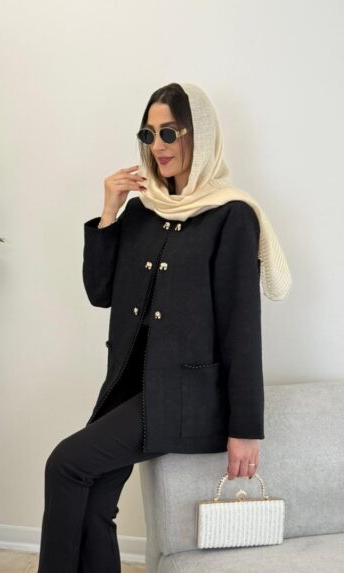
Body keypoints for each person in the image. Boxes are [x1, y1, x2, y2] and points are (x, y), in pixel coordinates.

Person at [38, 82, 292, 572]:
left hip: (186, 400)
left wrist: (246, 429)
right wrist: (109, 211)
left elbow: (241, 330)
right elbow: (100, 293)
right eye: (149, 134)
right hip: (128, 389)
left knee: (65, 464)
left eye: (170, 132)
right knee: (94, 502)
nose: (158, 145)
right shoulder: (143, 210)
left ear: (201, 135)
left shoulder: (232, 216)